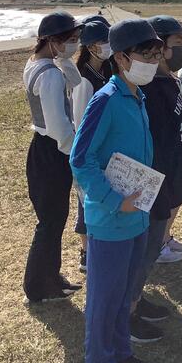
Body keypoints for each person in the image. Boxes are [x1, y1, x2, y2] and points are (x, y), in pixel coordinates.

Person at [71, 18, 163, 363]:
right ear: (122, 58)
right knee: (104, 300)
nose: (153, 62)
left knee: (123, 295)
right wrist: (113, 201)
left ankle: (120, 355)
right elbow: (80, 158)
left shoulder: (136, 96)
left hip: (136, 216)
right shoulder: (106, 99)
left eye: (157, 54)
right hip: (110, 220)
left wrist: (137, 204)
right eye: (146, 55)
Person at [125, 15, 182, 341]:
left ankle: (136, 299)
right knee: (144, 247)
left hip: (168, 178)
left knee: (151, 247)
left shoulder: (170, 81)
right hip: (153, 181)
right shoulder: (149, 87)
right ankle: (127, 312)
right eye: (177, 43)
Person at [22, 11, 84, 303]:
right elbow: (59, 125)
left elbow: (76, 80)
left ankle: (50, 276)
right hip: (53, 149)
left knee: (54, 218)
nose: (74, 44)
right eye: (70, 39)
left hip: (45, 147)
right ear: (52, 40)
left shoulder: (38, 64)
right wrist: (75, 154)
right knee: (50, 221)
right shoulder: (49, 75)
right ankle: (37, 287)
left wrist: (65, 59)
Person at [72, 20, 113, 273]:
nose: (107, 46)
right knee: (86, 201)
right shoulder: (83, 80)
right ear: (90, 47)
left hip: (107, 146)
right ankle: (86, 252)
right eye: (103, 42)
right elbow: (80, 122)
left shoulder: (106, 70)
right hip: (91, 150)